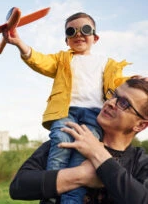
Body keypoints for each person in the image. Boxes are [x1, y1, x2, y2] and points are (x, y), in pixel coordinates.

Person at [3, 12, 132, 203]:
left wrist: (137, 80)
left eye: (85, 30)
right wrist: (21, 44)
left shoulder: (107, 63)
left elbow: (121, 84)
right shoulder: (62, 59)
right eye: (72, 31)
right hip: (66, 112)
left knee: (82, 155)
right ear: (66, 40)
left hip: (94, 115)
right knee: (60, 144)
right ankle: (52, 195)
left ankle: (72, 200)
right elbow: (41, 61)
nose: (79, 34)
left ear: (95, 37)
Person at [9, 78, 148, 203]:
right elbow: (18, 186)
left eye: (124, 103)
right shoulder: (72, 135)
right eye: (114, 95)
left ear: (140, 125)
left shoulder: (140, 162)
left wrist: (98, 154)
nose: (111, 102)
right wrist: (79, 175)